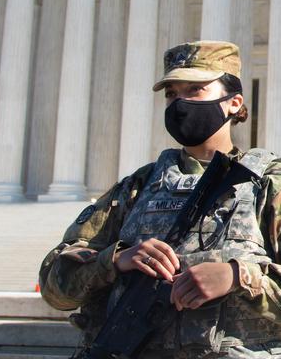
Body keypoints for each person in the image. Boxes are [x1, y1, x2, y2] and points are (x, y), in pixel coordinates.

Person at [39, 41, 281, 359]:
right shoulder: (136, 188)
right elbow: (55, 285)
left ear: (234, 102)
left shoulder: (267, 184)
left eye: (194, 90)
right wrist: (113, 260)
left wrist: (238, 277)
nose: (180, 102)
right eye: (171, 93)